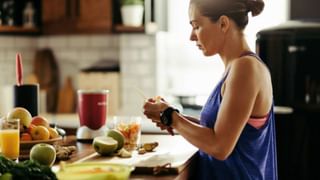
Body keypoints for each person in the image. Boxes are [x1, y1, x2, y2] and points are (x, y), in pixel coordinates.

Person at [143, 0, 277, 179]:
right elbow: (219, 131)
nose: (192, 36)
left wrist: (171, 117)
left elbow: (220, 147)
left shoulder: (246, 68)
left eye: (196, 26)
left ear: (223, 23)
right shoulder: (236, 68)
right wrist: (172, 117)